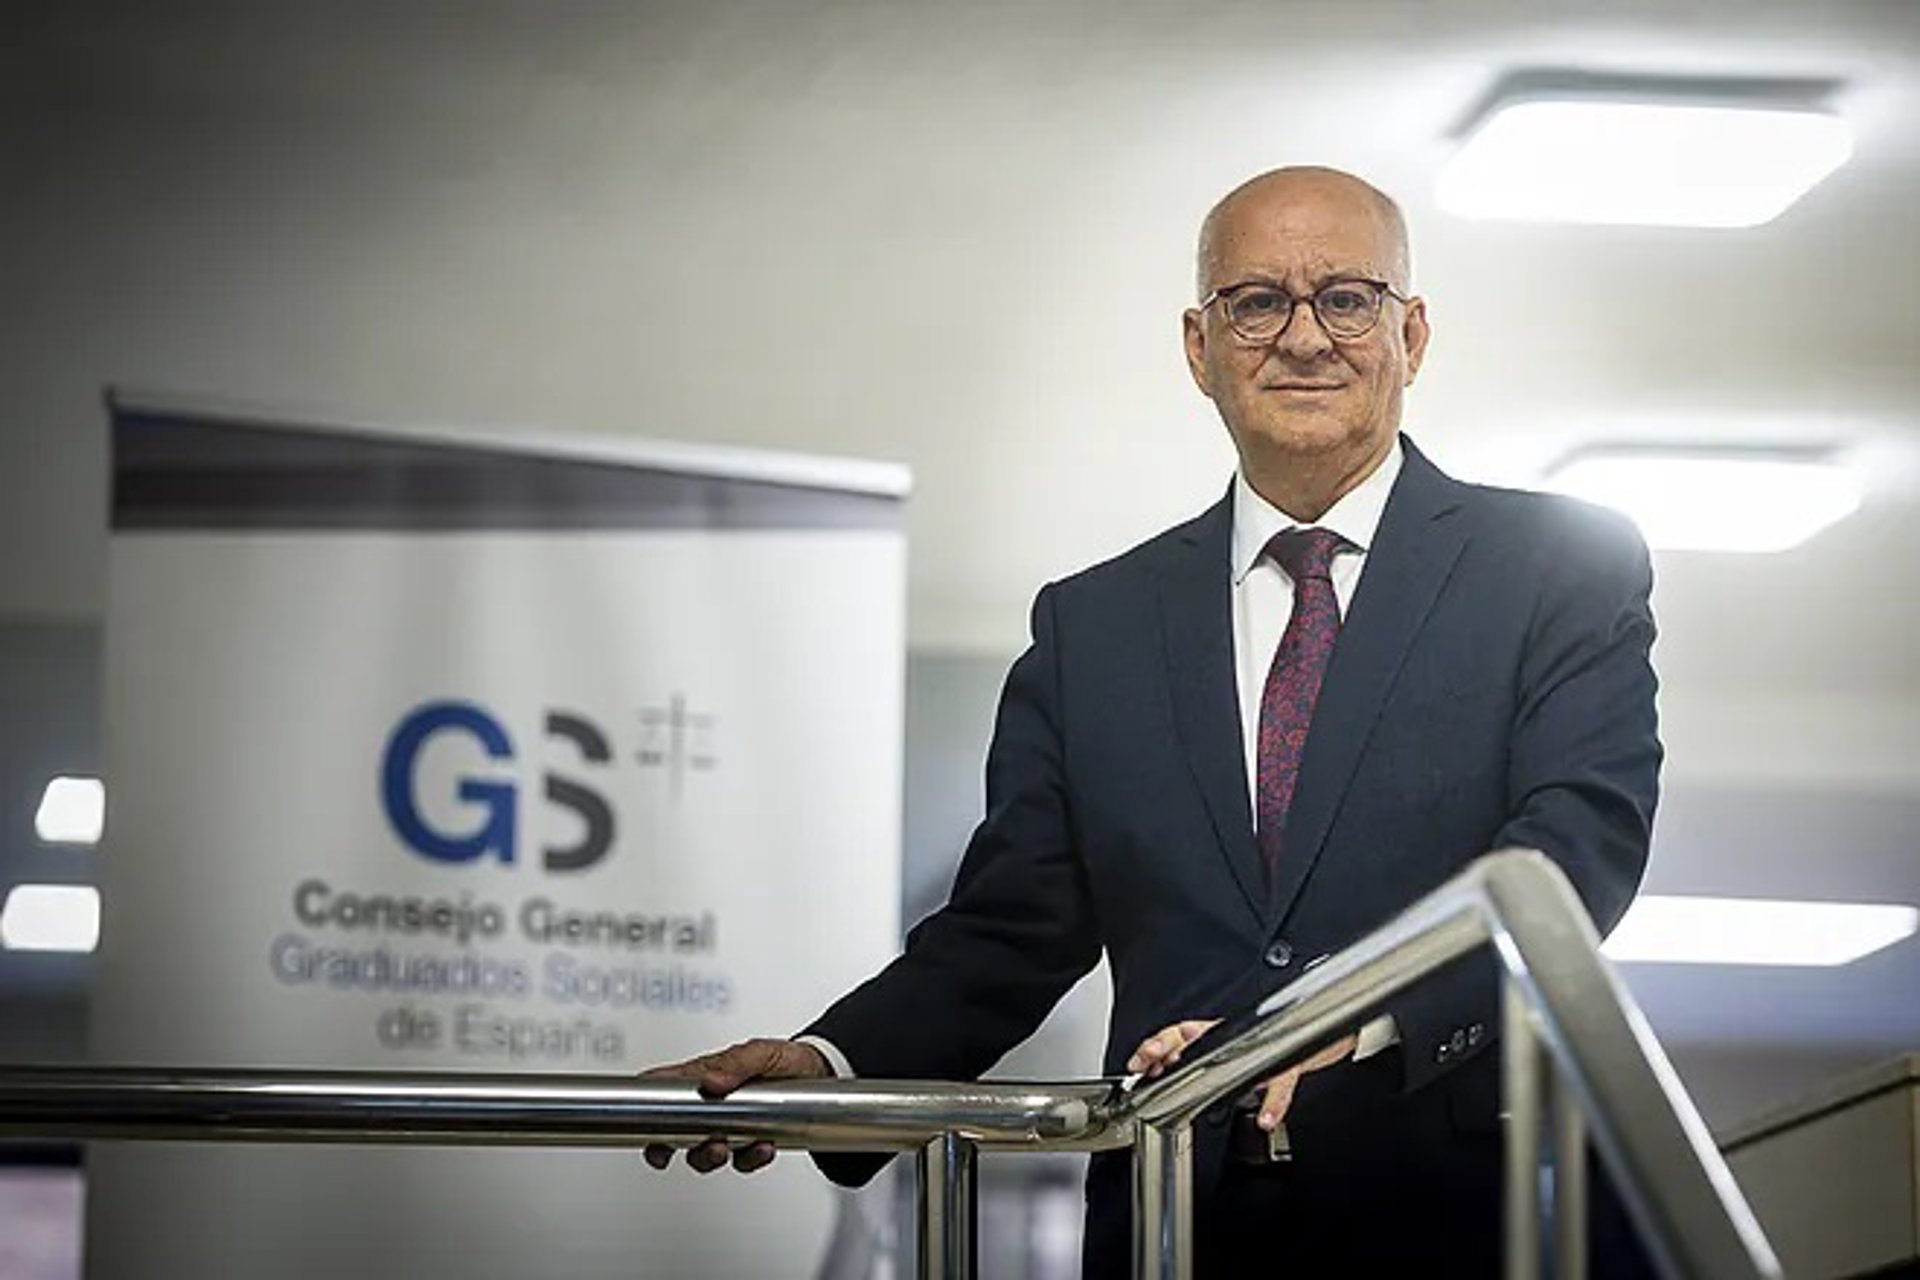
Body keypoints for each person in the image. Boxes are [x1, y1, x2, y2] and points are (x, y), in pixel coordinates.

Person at [643, 166, 1661, 1278]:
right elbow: (1012, 926)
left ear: (1411, 335)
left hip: (1475, 1220)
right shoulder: (1093, 628)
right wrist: (834, 1064)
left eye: (1347, 299)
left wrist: (1353, 1012)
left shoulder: (1558, 568)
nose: (1304, 337)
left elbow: (1571, 858)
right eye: (1257, 302)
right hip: (1179, 1224)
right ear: (1199, 347)